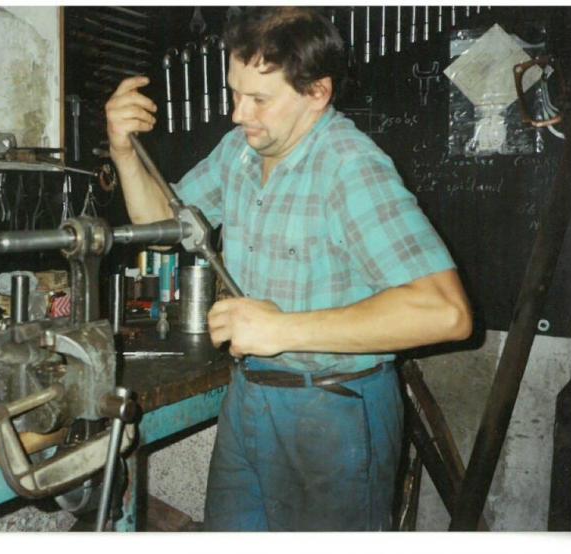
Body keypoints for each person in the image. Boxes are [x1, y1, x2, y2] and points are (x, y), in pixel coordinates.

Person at [105, 7, 472, 531]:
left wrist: (281, 328)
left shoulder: (350, 166)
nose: (237, 114)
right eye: (235, 93)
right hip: (250, 396)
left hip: (334, 409)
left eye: (259, 99)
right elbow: (161, 225)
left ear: (316, 92)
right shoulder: (240, 151)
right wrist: (124, 150)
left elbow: (446, 312)